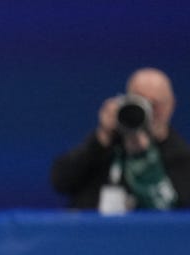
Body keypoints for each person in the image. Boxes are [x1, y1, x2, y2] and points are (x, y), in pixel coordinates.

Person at [50, 68, 190, 211]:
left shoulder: (181, 155)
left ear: (170, 105)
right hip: (97, 230)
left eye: (155, 104)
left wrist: (143, 156)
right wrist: (102, 137)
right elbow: (60, 181)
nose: (149, 111)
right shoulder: (105, 143)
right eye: (140, 101)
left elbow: (178, 211)